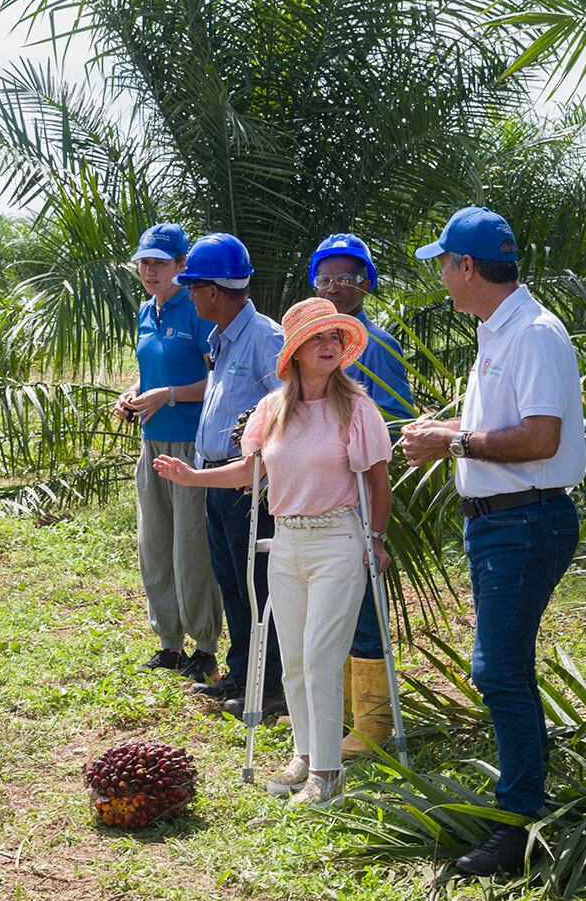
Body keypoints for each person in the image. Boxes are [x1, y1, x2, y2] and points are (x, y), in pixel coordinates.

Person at [401, 206, 586, 876]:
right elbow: (507, 425)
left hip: (525, 520)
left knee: (498, 670)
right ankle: (519, 806)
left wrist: (451, 442)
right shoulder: (499, 330)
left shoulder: (532, 335)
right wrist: (444, 430)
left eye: (444, 267)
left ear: (467, 266)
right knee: (503, 668)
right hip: (502, 519)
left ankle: (519, 823)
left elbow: (541, 438)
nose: (443, 281)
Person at [156, 298, 393, 806]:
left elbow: (377, 479)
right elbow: (250, 472)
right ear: (296, 353)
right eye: (318, 339)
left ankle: (327, 777)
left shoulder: (357, 408)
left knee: (321, 656)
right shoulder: (271, 409)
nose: (328, 346)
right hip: (286, 540)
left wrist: (375, 539)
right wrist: (194, 476)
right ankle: (305, 755)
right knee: (292, 662)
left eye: (334, 338)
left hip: (338, 541)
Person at [308, 234, 413, 759]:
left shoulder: (378, 345)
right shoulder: (308, 341)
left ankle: (374, 721)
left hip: (359, 495)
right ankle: (345, 710)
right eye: (325, 279)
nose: (335, 288)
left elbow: (397, 423)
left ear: (365, 284)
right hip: (316, 499)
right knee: (333, 606)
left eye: (346, 278)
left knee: (366, 605)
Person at [173, 233, 285, 715]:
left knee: (258, 583)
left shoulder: (266, 338)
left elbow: (288, 413)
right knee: (230, 579)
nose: (190, 296)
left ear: (214, 290)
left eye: (193, 288)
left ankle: (270, 685)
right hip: (217, 479)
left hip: (248, 484)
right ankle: (241, 674)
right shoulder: (222, 339)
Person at [117, 223, 222, 684]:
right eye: (144, 261)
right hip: (152, 442)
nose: (149, 270)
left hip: (190, 445)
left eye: (160, 262)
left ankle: (205, 645)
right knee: (155, 545)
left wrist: (171, 396)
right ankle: (169, 643)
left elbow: (218, 382)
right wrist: (133, 394)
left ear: (183, 266)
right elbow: (150, 373)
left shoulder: (198, 309)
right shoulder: (146, 311)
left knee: (191, 547)